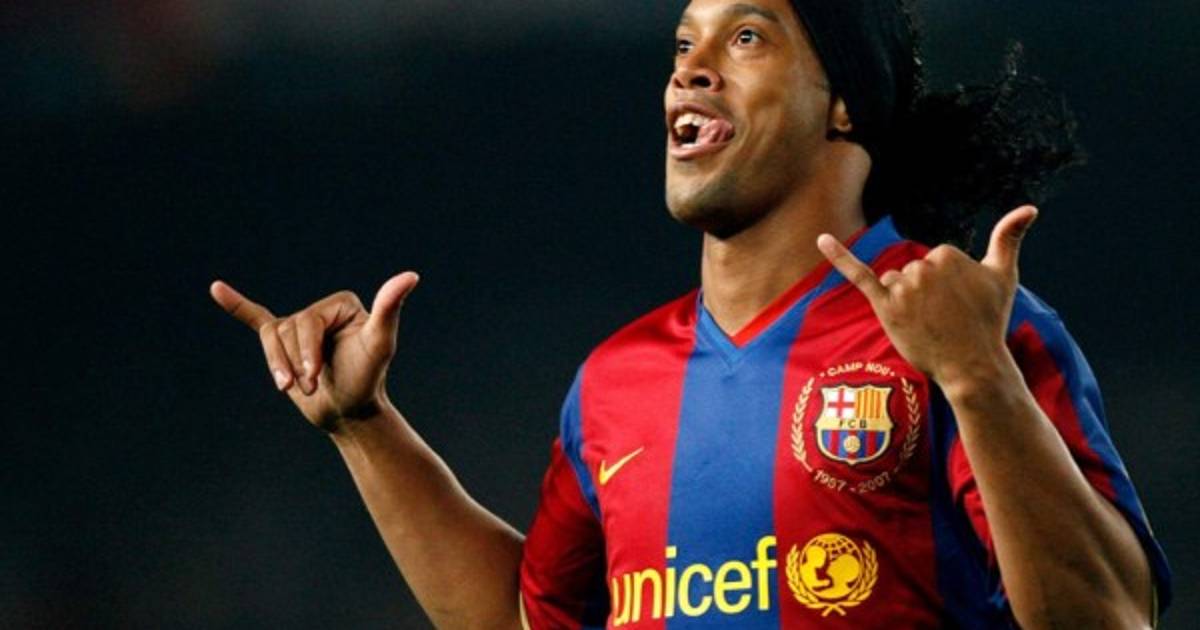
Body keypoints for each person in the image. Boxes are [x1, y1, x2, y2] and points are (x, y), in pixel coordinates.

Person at [210, 0, 1171, 627]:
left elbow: (1113, 617)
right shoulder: (616, 380)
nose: (690, 69)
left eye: (745, 38)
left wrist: (977, 377)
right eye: (682, 44)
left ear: (842, 103)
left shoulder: (964, 327)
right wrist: (363, 429)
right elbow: (527, 619)